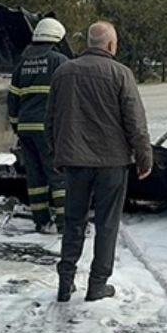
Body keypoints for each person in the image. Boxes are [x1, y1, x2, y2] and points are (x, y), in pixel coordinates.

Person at [46, 21, 153, 302]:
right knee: (107, 224)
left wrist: (57, 154)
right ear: (110, 45)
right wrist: (144, 157)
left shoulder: (63, 72)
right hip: (112, 162)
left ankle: (65, 281)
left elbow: (51, 119)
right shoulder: (121, 74)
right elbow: (135, 122)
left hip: (75, 161)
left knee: (73, 220)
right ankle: (97, 285)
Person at [8, 17, 70, 233]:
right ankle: (65, 224)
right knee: (58, 175)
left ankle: (41, 221)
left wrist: (16, 126)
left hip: (25, 128)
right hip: (47, 129)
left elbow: (12, 99)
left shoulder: (22, 63)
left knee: (35, 177)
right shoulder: (59, 61)